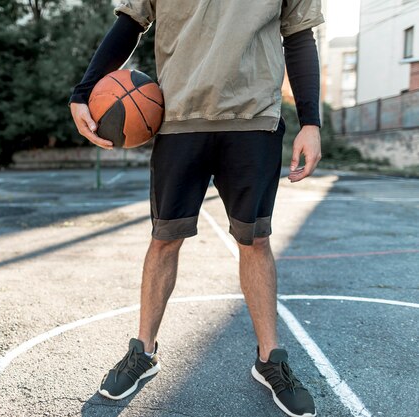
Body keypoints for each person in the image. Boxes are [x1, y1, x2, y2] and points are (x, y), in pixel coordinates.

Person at [69, 1, 324, 416]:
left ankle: (269, 359)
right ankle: (143, 352)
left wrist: (310, 121)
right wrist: (84, 92)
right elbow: (131, 22)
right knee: (164, 239)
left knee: (256, 240)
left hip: (252, 118)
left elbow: (298, 35)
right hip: (176, 119)